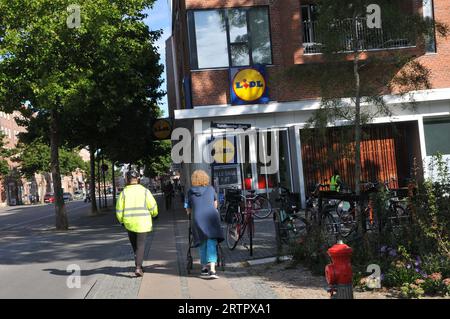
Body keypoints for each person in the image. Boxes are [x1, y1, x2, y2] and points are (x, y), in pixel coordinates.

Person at [116, 170, 158, 277]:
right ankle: (138, 267)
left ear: (127, 180)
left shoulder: (124, 193)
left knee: (135, 245)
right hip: (142, 222)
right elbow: (152, 205)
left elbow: (119, 209)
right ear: (138, 179)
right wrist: (154, 214)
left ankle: (138, 265)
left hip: (129, 223)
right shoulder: (145, 191)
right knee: (141, 245)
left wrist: (121, 220)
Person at [185, 170, 224, 279]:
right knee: (211, 242)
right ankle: (212, 269)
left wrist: (191, 210)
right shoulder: (211, 189)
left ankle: (203, 268)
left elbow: (188, 209)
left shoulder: (190, 192)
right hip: (211, 218)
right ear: (205, 178)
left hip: (197, 219)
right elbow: (215, 205)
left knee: (202, 242)